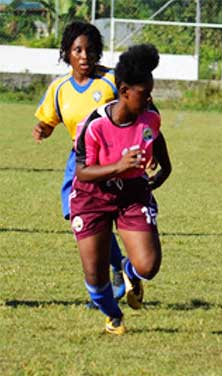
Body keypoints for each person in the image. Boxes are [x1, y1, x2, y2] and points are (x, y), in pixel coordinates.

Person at [70, 44, 171, 334]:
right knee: (95, 277)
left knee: (149, 265)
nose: (150, 98)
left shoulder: (150, 115)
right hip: (92, 195)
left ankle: (129, 272)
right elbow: (82, 171)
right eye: (144, 93)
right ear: (124, 90)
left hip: (132, 193)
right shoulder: (95, 124)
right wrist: (119, 165)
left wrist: (166, 166)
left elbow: (155, 135)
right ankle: (113, 314)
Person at [33, 21, 127, 303]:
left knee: (97, 221)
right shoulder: (60, 88)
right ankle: (117, 265)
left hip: (112, 160)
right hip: (80, 160)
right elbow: (49, 120)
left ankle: (104, 286)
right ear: (67, 53)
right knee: (79, 219)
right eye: (78, 50)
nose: (84, 55)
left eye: (90, 50)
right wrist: (43, 130)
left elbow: (142, 109)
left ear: (98, 53)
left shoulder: (112, 81)